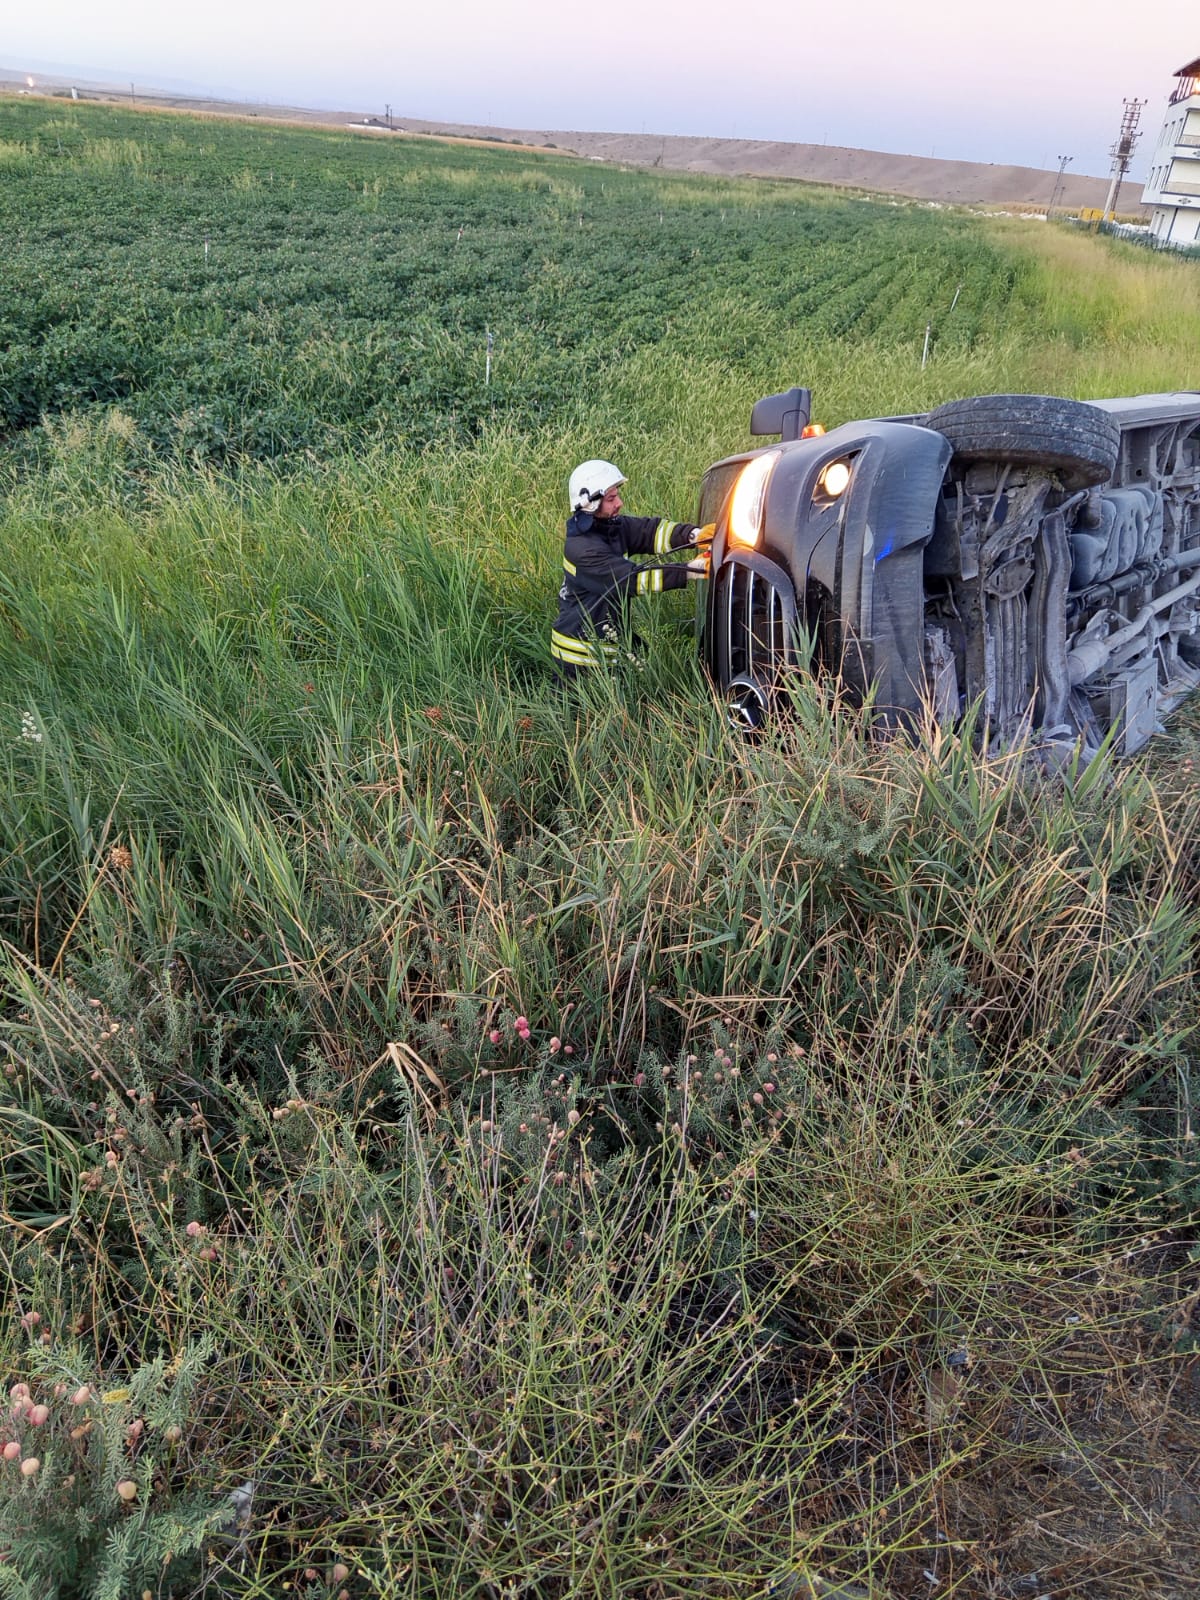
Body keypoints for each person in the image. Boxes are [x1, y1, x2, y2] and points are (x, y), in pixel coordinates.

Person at [550, 459, 714, 680]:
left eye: (617, 495)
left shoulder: (610, 526)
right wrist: (693, 570)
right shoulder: (582, 549)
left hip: (608, 642)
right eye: (611, 498)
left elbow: (650, 531)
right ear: (589, 504)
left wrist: (695, 535)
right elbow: (632, 580)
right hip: (580, 656)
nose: (619, 502)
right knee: (590, 715)